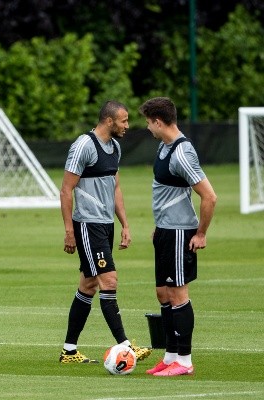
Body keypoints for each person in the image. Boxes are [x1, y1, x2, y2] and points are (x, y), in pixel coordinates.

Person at [59, 100, 152, 363]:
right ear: (109, 121)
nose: (127, 125)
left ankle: (68, 350)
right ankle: (125, 346)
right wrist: (69, 231)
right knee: (108, 281)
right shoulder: (83, 146)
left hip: (105, 225)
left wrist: (125, 224)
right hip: (87, 225)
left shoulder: (115, 148)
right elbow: (66, 190)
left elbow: (115, 187)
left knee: (88, 285)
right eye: (123, 120)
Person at [139, 97, 217, 376]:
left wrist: (201, 234)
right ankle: (171, 355)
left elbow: (209, 197)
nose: (148, 128)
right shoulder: (164, 146)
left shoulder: (183, 153)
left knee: (178, 294)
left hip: (179, 232)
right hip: (164, 230)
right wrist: (159, 226)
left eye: (149, 123)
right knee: (162, 293)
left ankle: (184, 361)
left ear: (158, 122)